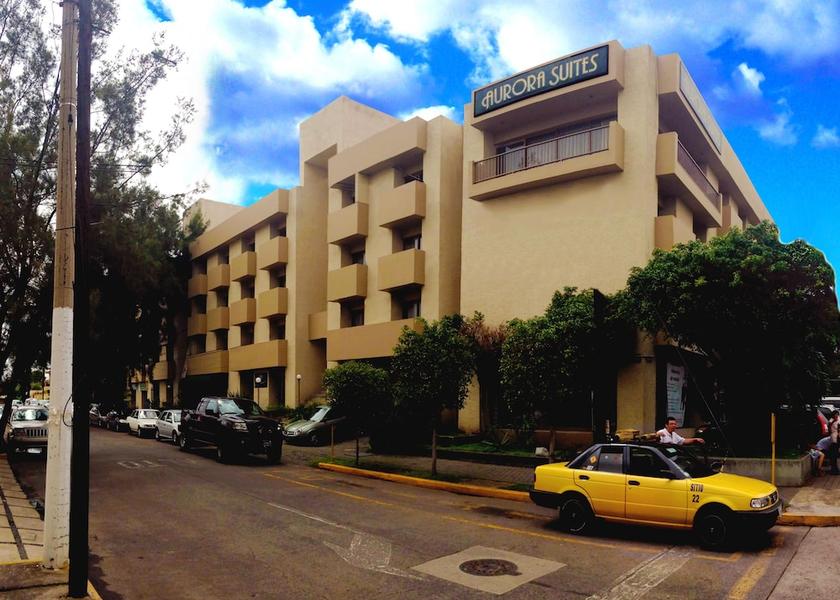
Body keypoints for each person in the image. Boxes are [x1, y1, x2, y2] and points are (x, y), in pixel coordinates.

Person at [828, 411, 840, 475]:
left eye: (837, 415)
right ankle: (834, 470)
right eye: (835, 415)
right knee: (834, 455)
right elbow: (830, 429)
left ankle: (835, 470)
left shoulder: (836, 421)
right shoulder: (831, 421)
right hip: (833, 440)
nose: (837, 416)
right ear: (833, 415)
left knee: (834, 455)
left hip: (836, 440)